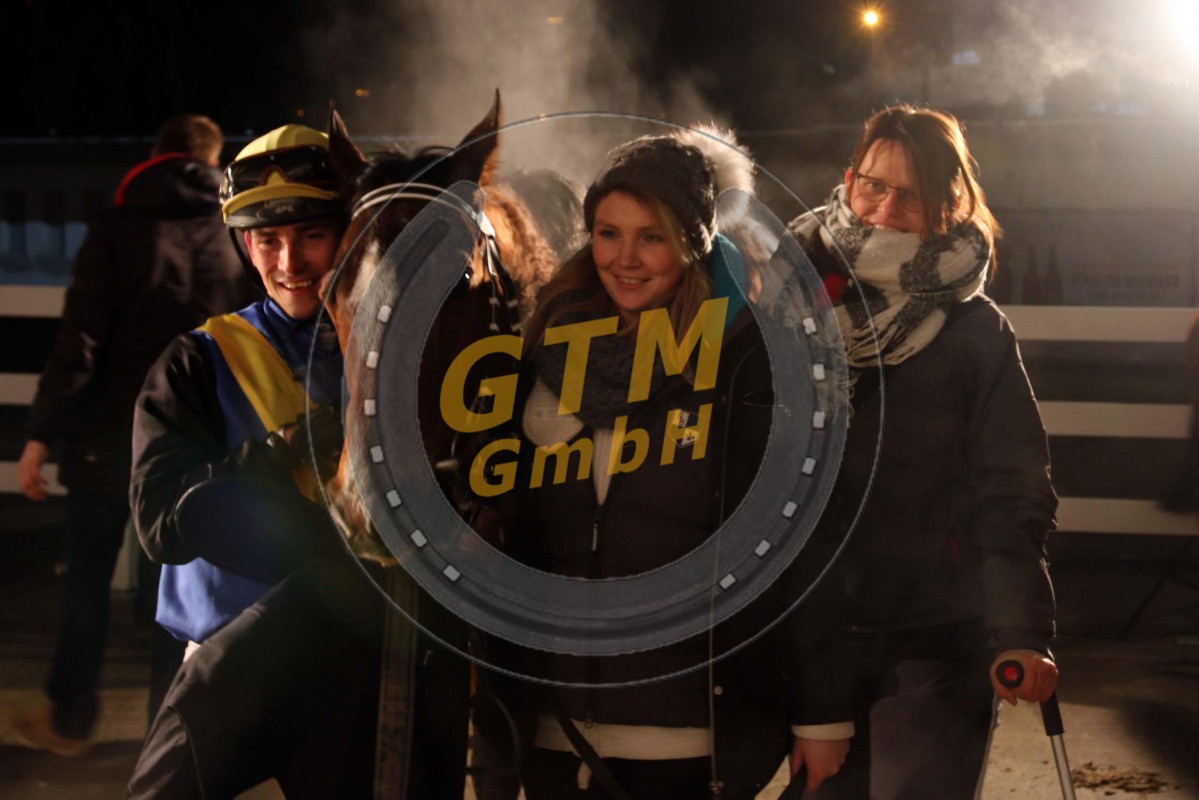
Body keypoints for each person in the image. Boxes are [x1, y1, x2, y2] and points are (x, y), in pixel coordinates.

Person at [487, 129, 852, 799]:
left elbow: (805, 549)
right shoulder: (543, 350)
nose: (624, 259)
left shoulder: (750, 364)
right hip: (553, 730)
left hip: (687, 734)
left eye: (650, 237)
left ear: (691, 242)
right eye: (607, 233)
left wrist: (821, 711)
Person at [787, 105, 1060, 799]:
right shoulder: (788, 296)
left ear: (949, 205)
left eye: (910, 195)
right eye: (873, 186)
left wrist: (1018, 630)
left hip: (936, 631)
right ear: (848, 179)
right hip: (813, 628)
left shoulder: (974, 330)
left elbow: (1011, 484)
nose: (884, 209)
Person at [125, 123, 359, 797]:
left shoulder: (398, 357)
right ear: (243, 245)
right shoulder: (194, 363)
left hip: (350, 671)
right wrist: (276, 453)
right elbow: (159, 525)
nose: (290, 261)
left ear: (348, 236)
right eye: (268, 239)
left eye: (311, 234)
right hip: (225, 666)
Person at [12, 113, 255, 756]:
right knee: (173, 602)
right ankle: (165, 738)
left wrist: (40, 434)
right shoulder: (234, 238)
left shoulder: (117, 230)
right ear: (212, 163)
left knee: (87, 583)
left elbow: (79, 342)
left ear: (155, 155)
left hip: (107, 443)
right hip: (194, 451)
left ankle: (70, 721)